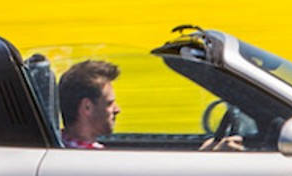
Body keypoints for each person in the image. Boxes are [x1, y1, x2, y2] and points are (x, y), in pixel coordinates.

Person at [57, 58, 241, 150]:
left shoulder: (68, 146)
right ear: (87, 108)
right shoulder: (88, 159)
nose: (117, 109)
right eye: (109, 103)